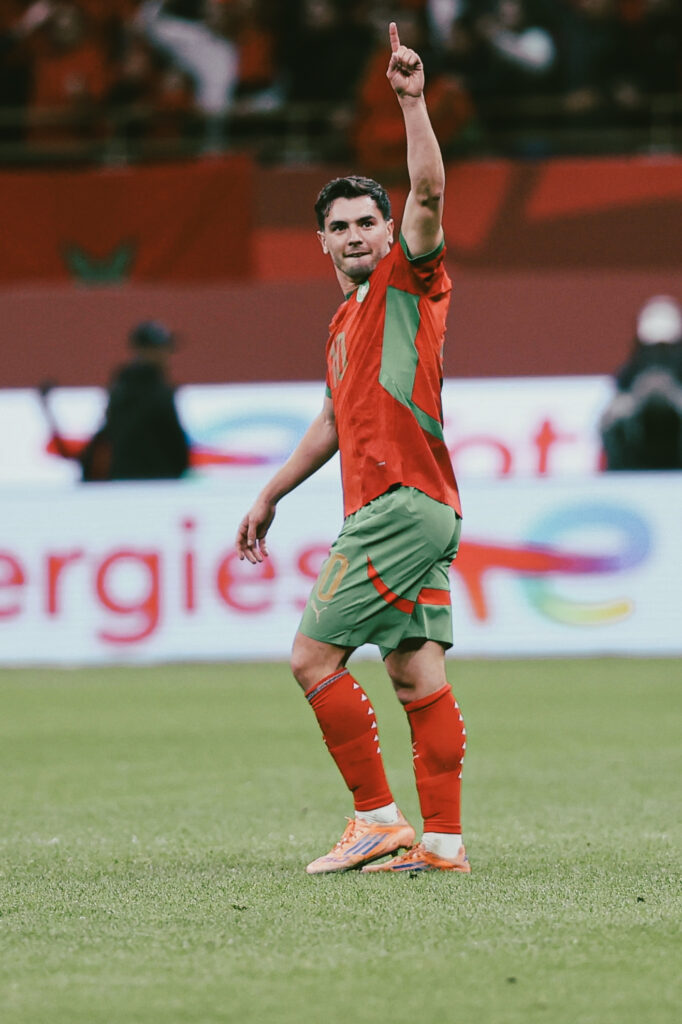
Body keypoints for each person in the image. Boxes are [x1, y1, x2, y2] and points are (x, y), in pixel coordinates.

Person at [236, 23, 469, 876]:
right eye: (341, 226)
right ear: (324, 243)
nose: (359, 233)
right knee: (414, 674)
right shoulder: (342, 324)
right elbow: (333, 423)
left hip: (399, 504)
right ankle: (442, 844)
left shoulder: (410, 279)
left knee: (311, 658)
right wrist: (271, 493)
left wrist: (411, 101)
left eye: (371, 220)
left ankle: (375, 819)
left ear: (388, 229)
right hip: (422, 509)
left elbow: (430, 190)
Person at [599, 294, 682, 470]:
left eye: (666, 347)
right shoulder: (630, 372)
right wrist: (634, 401)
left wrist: (673, 396)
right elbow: (609, 417)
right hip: (638, 458)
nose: (658, 354)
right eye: (651, 347)